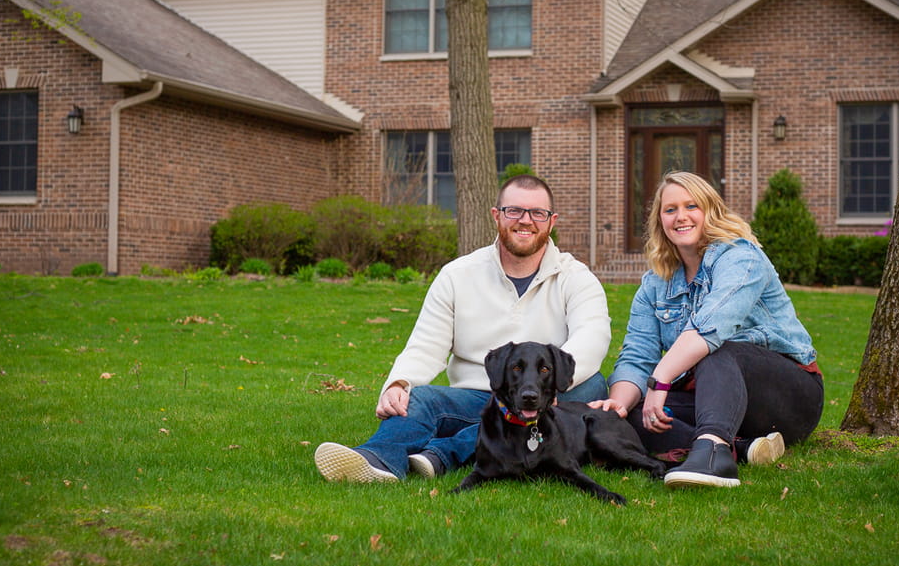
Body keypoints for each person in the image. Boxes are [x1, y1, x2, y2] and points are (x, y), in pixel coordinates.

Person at [314, 174, 610, 483]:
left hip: (543, 398)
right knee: (420, 398)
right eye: (514, 211)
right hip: (473, 395)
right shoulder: (457, 275)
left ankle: (442, 453)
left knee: (591, 387)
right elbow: (427, 343)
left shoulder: (576, 277)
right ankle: (377, 460)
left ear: (551, 222)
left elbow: (592, 337)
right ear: (496, 215)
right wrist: (398, 383)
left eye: (538, 213)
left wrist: (549, 388)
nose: (526, 221)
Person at [593, 170, 823, 488]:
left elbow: (710, 329)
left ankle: (714, 453)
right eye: (670, 209)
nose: (680, 217)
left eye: (692, 206)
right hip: (716, 398)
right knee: (635, 416)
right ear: (660, 220)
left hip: (787, 396)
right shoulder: (654, 285)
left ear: (710, 211)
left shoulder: (742, 259)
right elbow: (637, 356)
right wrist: (620, 402)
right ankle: (743, 448)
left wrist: (659, 383)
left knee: (715, 350)